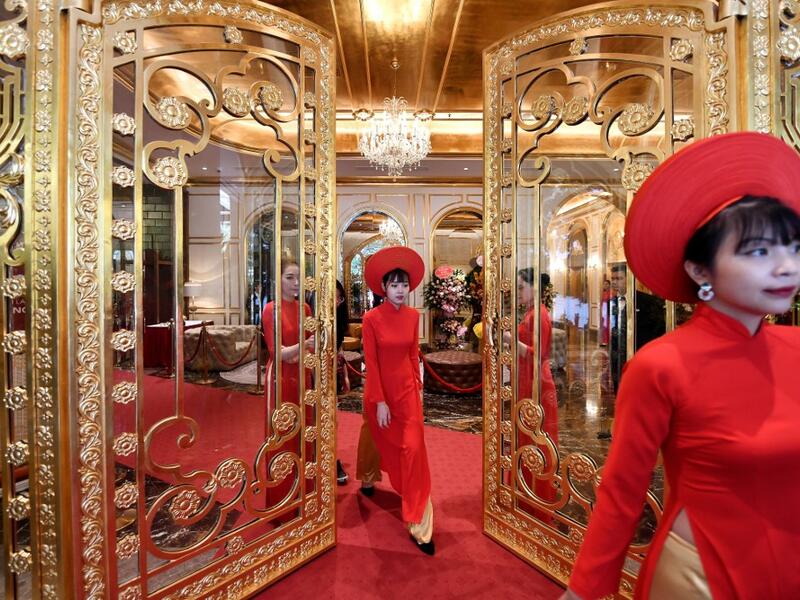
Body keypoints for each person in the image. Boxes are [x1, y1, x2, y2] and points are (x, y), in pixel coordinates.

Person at [561, 132, 800, 599]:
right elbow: (623, 491)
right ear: (700, 270)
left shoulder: (795, 348)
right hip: (702, 577)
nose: (786, 267)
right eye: (758, 252)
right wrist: (586, 589)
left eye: (792, 248)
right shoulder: (662, 365)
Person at [361, 246, 435, 555]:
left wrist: (418, 386)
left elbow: (410, 354)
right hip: (380, 393)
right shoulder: (371, 319)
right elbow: (372, 363)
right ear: (383, 288)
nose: (401, 290)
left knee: (413, 449)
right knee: (374, 432)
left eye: (404, 284)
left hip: (407, 394)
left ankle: (420, 524)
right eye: (394, 284)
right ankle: (367, 475)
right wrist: (379, 401)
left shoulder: (413, 316)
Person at [261, 260, 314, 514]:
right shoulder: (271, 310)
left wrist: (296, 351)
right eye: (290, 277)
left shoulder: (305, 308)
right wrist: (299, 349)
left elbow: (306, 347)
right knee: (283, 436)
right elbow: (276, 353)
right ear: (278, 280)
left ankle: (304, 493)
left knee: (305, 432)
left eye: (298, 278)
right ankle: (282, 502)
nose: (296, 284)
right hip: (280, 379)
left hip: (303, 374)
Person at [505, 270, 559, 516]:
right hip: (528, 377)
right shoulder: (531, 313)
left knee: (536, 436)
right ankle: (526, 492)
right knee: (526, 435)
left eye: (520, 286)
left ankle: (537, 496)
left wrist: (508, 338)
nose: (518, 292)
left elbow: (538, 354)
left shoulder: (539, 315)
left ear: (534, 288)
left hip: (538, 381)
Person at [335, 280, 350, 485]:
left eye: (339, 297)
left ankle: (333, 459)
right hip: (310, 375)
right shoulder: (312, 316)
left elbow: (339, 351)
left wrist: (345, 375)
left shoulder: (339, 319)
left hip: (331, 373)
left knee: (333, 420)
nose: (335, 301)